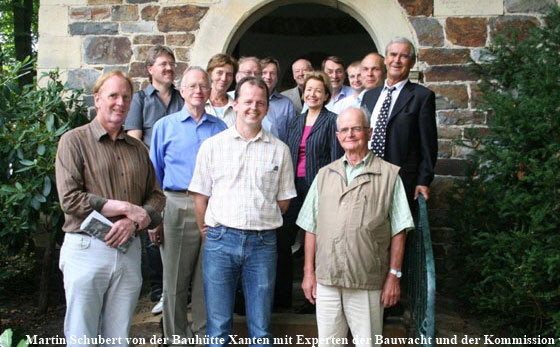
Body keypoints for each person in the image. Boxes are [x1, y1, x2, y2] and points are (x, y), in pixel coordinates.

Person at [55, 70, 166, 347]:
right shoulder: (73, 141)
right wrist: (122, 207)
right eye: (113, 95)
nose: (120, 102)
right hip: (86, 248)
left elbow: (156, 197)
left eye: (125, 97)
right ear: (97, 99)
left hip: (128, 250)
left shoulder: (138, 149)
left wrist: (134, 222)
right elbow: (69, 198)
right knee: (82, 336)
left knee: (117, 339)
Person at [189, 77, 296, 347]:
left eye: (260, 102)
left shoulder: (280, 151)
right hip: (220, 240)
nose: (253, 107)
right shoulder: (213, 146)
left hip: (262, 244)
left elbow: (283, 202)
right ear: (235, 104)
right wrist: (208, 232)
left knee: (261, 330)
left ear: (267, 108)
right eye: (247, 101)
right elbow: (200, 197)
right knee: (218, 329)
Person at [297, 107, 414, 347]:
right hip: (327, 280)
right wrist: (309, 273)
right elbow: (311, 227)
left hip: (367, 281)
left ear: (369, 132)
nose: (350, 134)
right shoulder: (324, 174)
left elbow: (399, 231)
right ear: (338, 136)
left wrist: (394, 275)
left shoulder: (389, 175)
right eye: (345, 130)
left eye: (357, 129)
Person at [150, 67, 227, 346]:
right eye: (192, 86)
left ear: (209, 91)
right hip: (177, 203)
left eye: (203, 86)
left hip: (213, 206)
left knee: (208, 279)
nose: (198, 91)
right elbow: (154, 175)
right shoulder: (164, 126)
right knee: (175, 281)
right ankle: (176, 338)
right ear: (182, 91)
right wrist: (155, 218)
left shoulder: (220, 128)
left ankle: (206, 335)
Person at [123, 44, 183, 314]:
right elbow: (135, 140)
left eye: (171, 64)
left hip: (180, 179)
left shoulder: (182, 98)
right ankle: (159, 291)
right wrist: (155, 163)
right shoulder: (140, 100)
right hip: (151, 177)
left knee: (179, 236)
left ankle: (181, 290)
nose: (169, 68)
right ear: (150, 70)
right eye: (163, 64)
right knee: (154, 234)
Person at [284, 71, 344, 312]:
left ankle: (314, 300)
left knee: (317, 243)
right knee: (283, 240)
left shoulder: (332, 121)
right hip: (291, 188)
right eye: (309, 89)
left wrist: (330, 190)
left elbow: (335, 159)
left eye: (318, 90)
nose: (312, 94)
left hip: (318, 188)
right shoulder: (295, 122)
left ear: (327, 95)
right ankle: (282, 297)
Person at [361, 37, 437, 205]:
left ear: (412, 63)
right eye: (393, 55)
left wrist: (423, 180)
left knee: (398, 230)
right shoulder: (370, 96)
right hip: (366, 175)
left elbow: (428, 144)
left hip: (402, 179)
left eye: (403, 56)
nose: (397, 60)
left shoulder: (421, 97)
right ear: (385, 60)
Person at [227, 56, 279, 137]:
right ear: (237, 76)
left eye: (257, 73)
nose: (252, 76)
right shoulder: (227, 100)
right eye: (248, 72)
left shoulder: (266, 106)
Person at [260, 56, 297, 143]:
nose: (268, 77)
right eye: (264, 72)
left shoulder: (287, 104)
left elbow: (292, 135)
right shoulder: (250, 101)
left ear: (277, 78)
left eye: (272, 73)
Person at [205, 53, 238, 127]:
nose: (224, 78)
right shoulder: (200, 103)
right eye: (219, 73)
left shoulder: (237, 108)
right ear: (210, 74)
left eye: (229, 74)